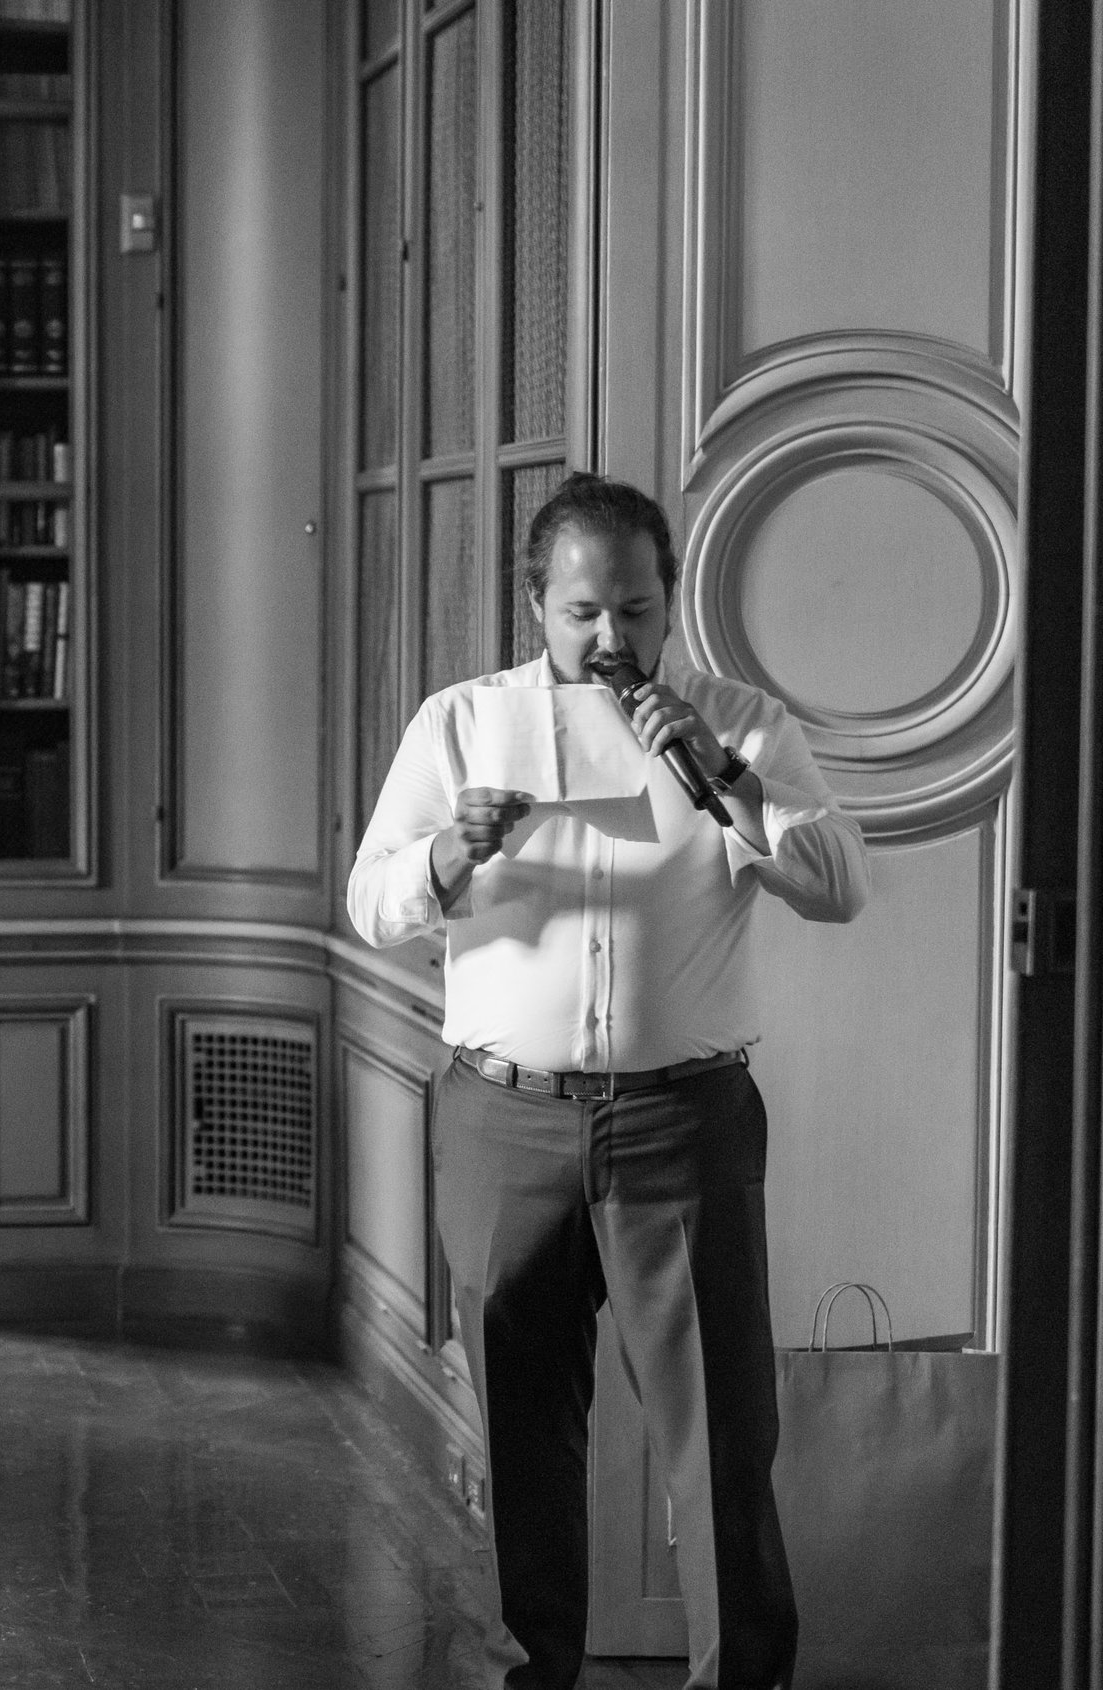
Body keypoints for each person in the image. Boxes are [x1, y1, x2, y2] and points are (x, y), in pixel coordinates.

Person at [348, 473, 869, 1690]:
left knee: (721, 1436)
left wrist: (732, 784)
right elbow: (370, 903)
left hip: (681, 1122)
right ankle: (539, 1671)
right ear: (537, 603)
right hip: (500, 1118)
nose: (612, 640)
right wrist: (447, 848)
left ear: (669, 599)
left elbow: (840, 883)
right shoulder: (459, 724)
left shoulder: (740, 720)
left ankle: (740, 1678)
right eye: (584, 611)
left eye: (636, 610)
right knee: (523, 1433)